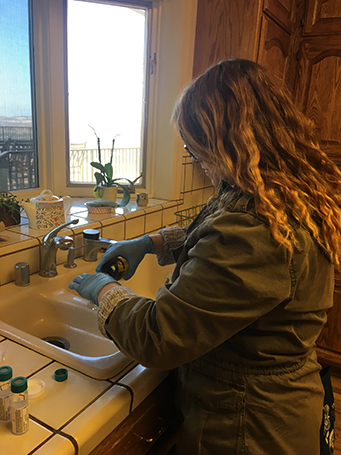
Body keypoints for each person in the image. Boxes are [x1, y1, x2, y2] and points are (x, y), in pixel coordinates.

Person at [69, 59, 341, 455]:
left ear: (224, 143)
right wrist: (153, 243)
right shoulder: (276, 193)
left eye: (194, 148)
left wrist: (104, 291)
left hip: (249, 427)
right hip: (278, 402)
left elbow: (160, 336)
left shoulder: (253, 228)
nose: (196, 160)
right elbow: (216, 240)